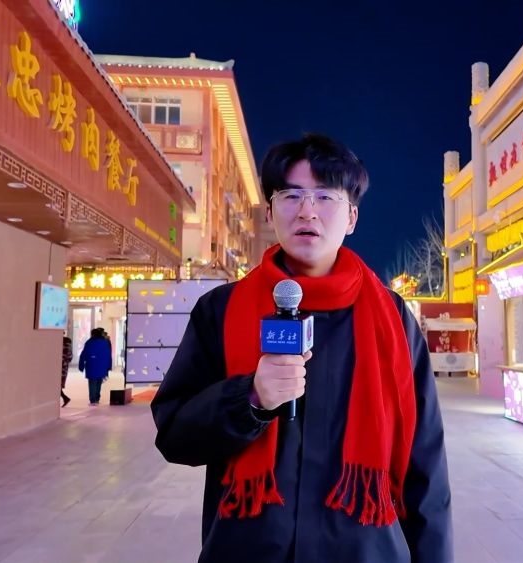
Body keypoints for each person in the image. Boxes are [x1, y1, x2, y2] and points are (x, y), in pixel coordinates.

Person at [151, 133, 453, 562]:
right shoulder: (220, 310)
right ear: (270, 212)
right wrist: (250, 399)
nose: (307, 211)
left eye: (325, 197)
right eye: (291, 196)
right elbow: (175, 436)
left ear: (351, 217)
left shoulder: (393, 318)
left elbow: (426, 465)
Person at [79, 328, 112, 406]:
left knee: (92, 382)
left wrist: (81, 365)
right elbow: (108, 355)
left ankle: (93, 400)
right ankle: (97, 398)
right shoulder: (105, 342)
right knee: (99, 382)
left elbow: (84, 354)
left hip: (91, 364)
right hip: (102, 365)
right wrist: (108, 366)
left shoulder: (89, 342)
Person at [61, 334, 73, 407]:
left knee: (54, 383)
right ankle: (65, 398)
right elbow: (70, 356)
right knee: (57, 384)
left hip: (59, 366)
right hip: (64, 366)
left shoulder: (61, 342)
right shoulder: (67, 342)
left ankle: (65, 398)